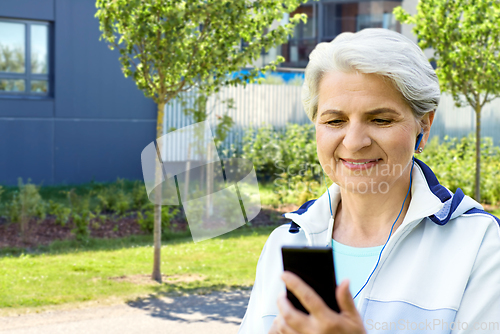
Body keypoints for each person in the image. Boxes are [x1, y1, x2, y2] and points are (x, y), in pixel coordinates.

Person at [238, 28, 500, 334]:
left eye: (381, 120)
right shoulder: (286, 242)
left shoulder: (480, 245)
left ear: (423, 128)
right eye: (335, 121)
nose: (353, 142)